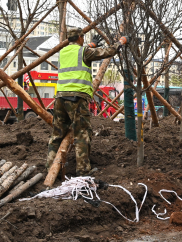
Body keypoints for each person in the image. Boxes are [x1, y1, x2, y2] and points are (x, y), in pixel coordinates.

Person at [46, 27, 127, 176]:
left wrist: (91, 45)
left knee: (57, 134)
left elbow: (80, 53)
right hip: (76, 98)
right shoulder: (84, 52)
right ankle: (83, 170)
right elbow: (106, 52)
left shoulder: (63, 52)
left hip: (60, 98)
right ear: (80, 38)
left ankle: (51, 168)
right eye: (83, 37)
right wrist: (120, 43)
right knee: (82, 133)